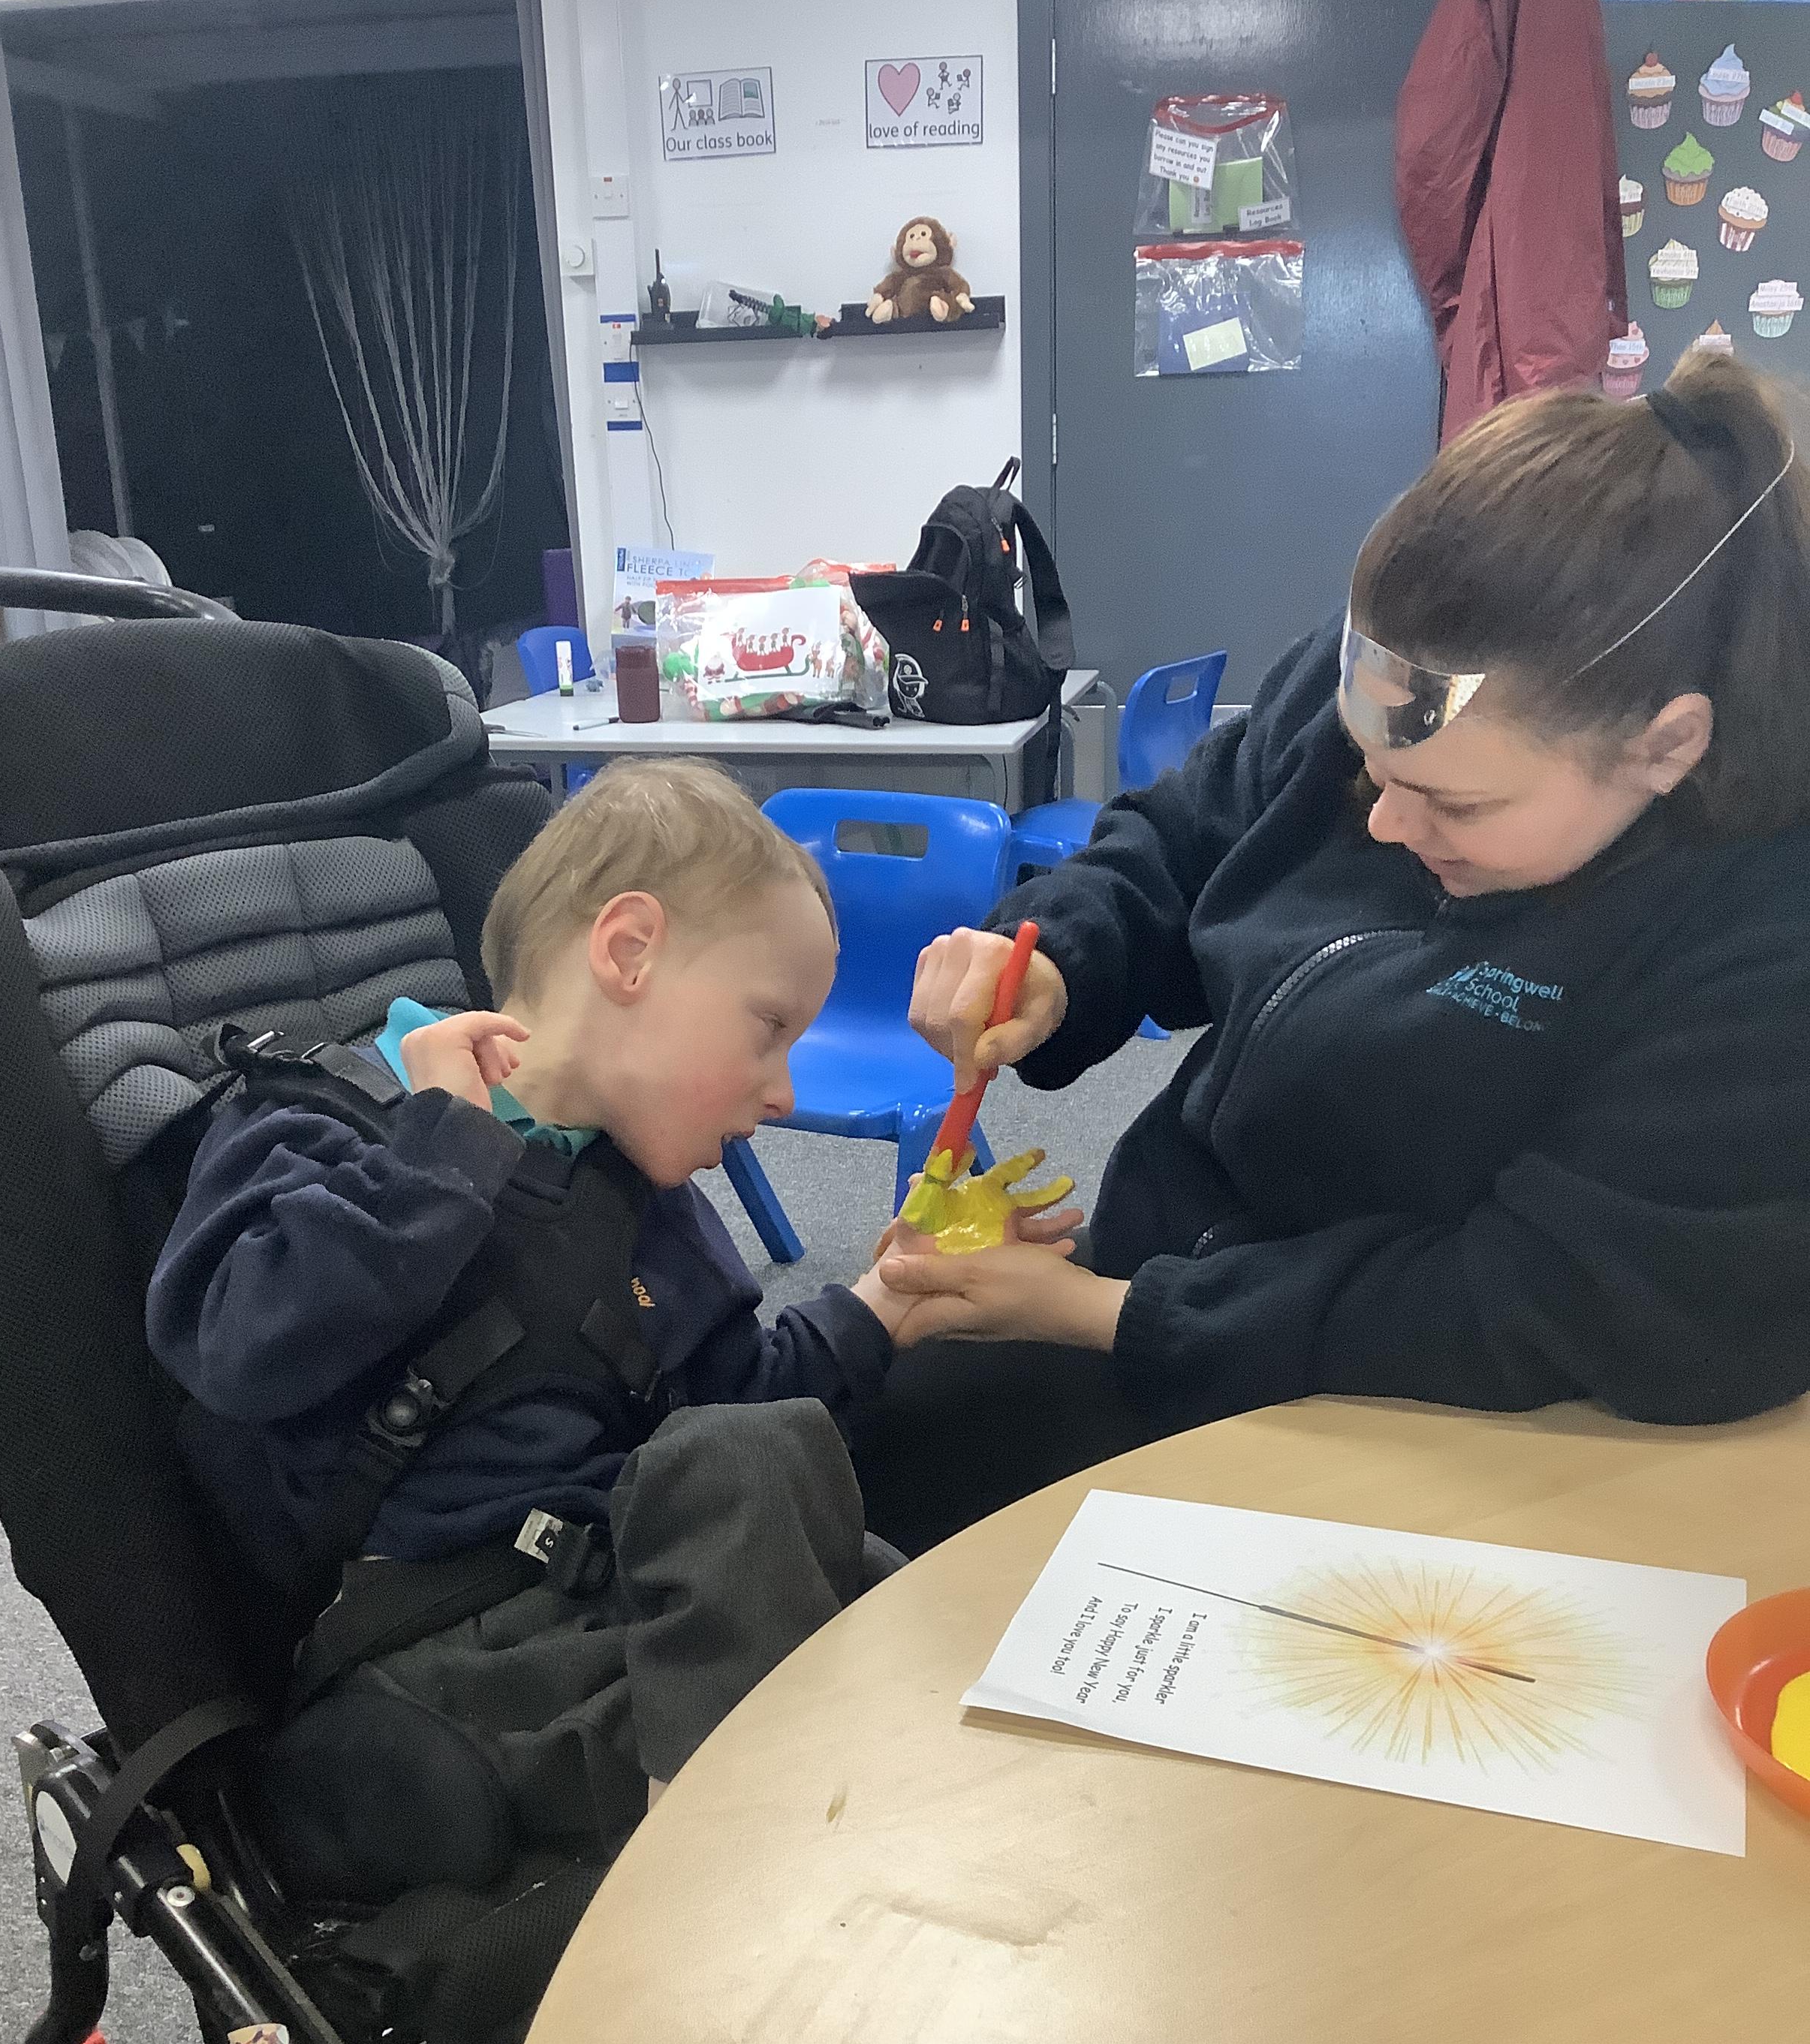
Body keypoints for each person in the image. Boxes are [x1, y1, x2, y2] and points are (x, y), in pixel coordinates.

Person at [854, 348, 1810, 1556]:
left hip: (1449, 1412)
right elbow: (1191, 833)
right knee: (849, 1443)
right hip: (1182, 1285)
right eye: (1367, 765)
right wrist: (1058, 957)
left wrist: (1115, 1316)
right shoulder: (1400, 684)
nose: (1383, 823)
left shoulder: (1764, 945)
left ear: (1666, 748)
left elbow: (1548, 1306)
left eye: (1453, 805)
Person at [147, 757, 1074, 1891]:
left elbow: (732, 1403)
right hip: (428, 1664)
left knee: (859, 1564)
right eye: (768, 1027)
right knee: (765, 1505)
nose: (783, 1090)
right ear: (629, 953)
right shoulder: (325, 1124)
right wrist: (439, 1160)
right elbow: (236, 1348)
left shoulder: (644, 1203)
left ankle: (748, 1821)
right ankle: (715, 1874)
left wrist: (892, 1299)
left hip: (613, 1612)